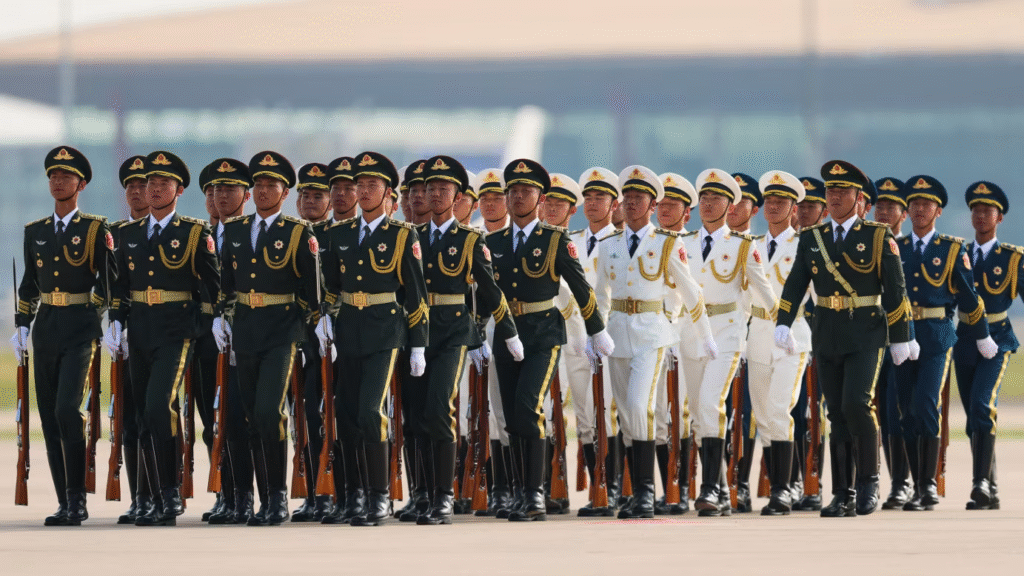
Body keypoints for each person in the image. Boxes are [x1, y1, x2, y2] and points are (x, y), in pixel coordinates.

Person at [775, 160, 912, 518]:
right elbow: (796, 282)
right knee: (835, 412)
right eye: (830, 191)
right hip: (827, 332)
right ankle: (843, 492)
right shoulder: (812, 237)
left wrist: (901, 337)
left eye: (842, 191)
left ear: (859, 198)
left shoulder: (879, 236)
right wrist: (783, 320)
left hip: (866, 331)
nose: (834, 197)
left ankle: (869, 483)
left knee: (857, 403)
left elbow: (895, 291)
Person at [485, 158, 610, 522]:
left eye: (527, 191)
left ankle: (535, 494)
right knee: (510, 416)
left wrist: (596, 329)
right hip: (506, 335)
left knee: (528, 407)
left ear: (540, 199)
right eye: (514, 191)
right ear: (506, 199)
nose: (519, 196)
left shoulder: (554, 239)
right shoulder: (490, 242)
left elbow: (580, 287)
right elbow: (484, 295)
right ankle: (522, 491)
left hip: (542, 334)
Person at [404, 155, 521, 525]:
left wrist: (509, 331)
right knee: (418, 416)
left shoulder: (470, 239)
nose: (435, 195)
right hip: (416, 333)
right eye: (430, 189)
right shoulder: (410, 237)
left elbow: (490, 290)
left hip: (454, 332)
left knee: (440, 410)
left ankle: (443, 496)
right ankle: (421, 493)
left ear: (457, 197)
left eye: (444, 189)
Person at [592, 166, 714, 519]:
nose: (631, 204)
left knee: (638, 404)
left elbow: (691, 292)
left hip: (652, 331)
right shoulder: (609, 244)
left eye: (639, 199)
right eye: (627, 198)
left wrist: (704, 334)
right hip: (616, 332)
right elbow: (600, 295)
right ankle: (637, 490)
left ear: (652, 204)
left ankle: (646, 491)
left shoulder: (667, 243)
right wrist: (594, 332)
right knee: (627, 416)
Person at [317, 151, 430, 527]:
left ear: (387, 194)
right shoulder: (338, 233)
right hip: (348, 330)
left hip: (386, 332)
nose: (363, 192)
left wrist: (418, 344)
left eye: (371, 186)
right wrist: (325, 317)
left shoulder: (401, 235)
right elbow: (330, 286)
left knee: (370, 411)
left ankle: (380, 497)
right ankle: (353, 495)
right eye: (358, 185)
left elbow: (416, 295)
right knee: (346, 415)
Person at [107, 150, 219, 526]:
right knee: (141, 415)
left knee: (158, 407)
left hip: (176, 332)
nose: (154, 190)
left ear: (179, 190)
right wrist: (116, 323)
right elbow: (120, 286)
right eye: (150, 184)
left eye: (162, 184)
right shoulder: (126, 234)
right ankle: (153, 497)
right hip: (139, 332)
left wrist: (208, 325)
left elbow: (213, 287)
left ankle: (170, 492)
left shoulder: (193, 232)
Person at [13, 146, 113, 526]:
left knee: (68, 410)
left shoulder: (94, 229)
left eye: (66, 177)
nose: (58, 181)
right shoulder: (35, 232)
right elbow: (29, 284)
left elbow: (107, 280)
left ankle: (77, 497)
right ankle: (64, 501)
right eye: (54, 176)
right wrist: (22, 324)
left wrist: (104, 317)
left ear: (81, 184)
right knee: (49, 418)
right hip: (48, 328)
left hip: (80, 326)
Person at [892, 175, 994, 513]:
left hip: (936, 335)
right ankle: (916, 488)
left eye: (926, 204)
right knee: (906, 410)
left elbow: (969, 297)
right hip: (902, 335)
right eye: (914, 204)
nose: (919, 209)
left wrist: (982, 334)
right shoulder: (898, 248)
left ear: (937, 210)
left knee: (925, 403)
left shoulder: (952, 248)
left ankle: (929, 485)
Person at [680, 168, 775, 517]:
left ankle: (708, 487)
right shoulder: (682, 243)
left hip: (727, 332)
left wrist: (783, 329)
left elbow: (765, 293)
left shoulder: (742, 247)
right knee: (697, 415)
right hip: (691, 332)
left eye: (716, 198)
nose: (707, 204)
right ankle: (719, 486)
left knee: (710, 404)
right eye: (703, 198)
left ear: (730, 205)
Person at [745, 171, 810, 515]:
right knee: (762, 415)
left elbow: (816, 294)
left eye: (780, 202)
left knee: (779, 409)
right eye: (769, 201)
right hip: (757, 333)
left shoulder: (804, 246)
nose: (773, 207)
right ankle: (780, 482)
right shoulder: (750, 246)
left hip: (792, 335)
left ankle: (782, 490)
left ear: (794, 209)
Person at [955, 181, 1016, 511]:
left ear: (999, 218)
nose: (981, 216)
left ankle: (979, 483)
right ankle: (989, 483)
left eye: (987, 211)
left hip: (998, 339)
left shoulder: (1012, 258)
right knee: (971, 417)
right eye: (976, 210)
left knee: (982, 405)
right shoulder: (956, 254)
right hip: (964, 338)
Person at [566, 167, 620, 517]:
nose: (592, 203)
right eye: (588, 197)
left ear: (614, 203)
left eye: (600, 197)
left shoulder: (621, 241)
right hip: (573, 336)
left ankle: (612, 486)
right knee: (585, 416)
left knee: (608, 413)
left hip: (608, 336)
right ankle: (597, 485)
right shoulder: (569, 240)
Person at [291, 162, 335, 522]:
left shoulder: (337, 237)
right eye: (304, 195)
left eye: (317, 195)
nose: (309, 201)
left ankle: (331, 487)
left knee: (326, 415)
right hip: (297, 338)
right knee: (302, 416)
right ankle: (311, 490)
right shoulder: (292, 235)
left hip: (332, 340)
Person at [110, 155, 152, 525]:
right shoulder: (115, 235)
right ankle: (139, 495)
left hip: (160, 334)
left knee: (154, 414)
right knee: (128, 420)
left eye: (144, 185)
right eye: (132, 186)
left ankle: (158, 491)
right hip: (125, 336)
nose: (137, 192)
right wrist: (112, 324)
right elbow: (108, 288)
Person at [652, 172, 696, 515]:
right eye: (661, 203)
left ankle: (681, 485)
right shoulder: (647, 240)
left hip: (687, 335)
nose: (665, 209)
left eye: (673, 204)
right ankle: (665, 483)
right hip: (652, 335)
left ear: (687, 212)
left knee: (682, 412)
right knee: (654, 415)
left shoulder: (693, 244)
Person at [870, 177, 913, 510]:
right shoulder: (865, 244)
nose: (884, 212)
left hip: (901, 342)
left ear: (904, 213)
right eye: (879, 206)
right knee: (872, 414)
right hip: (868, 339)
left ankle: (902, 483)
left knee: (897, 412)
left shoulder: (912, 249)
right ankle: (867, 481)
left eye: (891, 207)